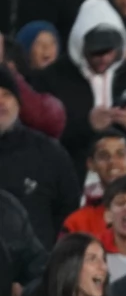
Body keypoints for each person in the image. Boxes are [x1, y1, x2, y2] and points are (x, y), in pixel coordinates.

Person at [32, 0, 126, 183]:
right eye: (96, 53)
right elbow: (42, 138)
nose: (104, 59)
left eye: (109, 51)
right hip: (72, 180)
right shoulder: (53, 78)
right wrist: (87, 126)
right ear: (80, 46)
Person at [0, 65, 80, 248]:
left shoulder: (49, 153)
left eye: (7, 95)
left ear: (18, 102)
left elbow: (69, 213)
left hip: (38, 271)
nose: (1, 102)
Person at [61, 130, 126, 238]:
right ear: (91, 164)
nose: (112, 162)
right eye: (103, 156)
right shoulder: (77, 223)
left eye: (120, 155)